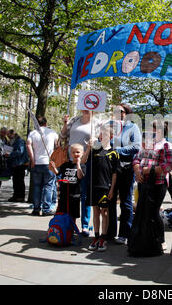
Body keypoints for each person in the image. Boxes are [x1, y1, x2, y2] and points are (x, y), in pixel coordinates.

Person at [129, 121, 172, 256]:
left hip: (158, 184)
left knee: (154, 212)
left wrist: (147, 170)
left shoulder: (167, 145)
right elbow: (136, 159)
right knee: (143, 212)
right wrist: (138, 171)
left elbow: (168, 166)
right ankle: (144, 239)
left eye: (154, 129)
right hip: (143, 182)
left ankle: (160, 240)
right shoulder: (147, 144)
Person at [107, 103, 142, 245]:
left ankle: (125, 234)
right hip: (110, 167)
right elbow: (102, 141)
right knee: (109, 199)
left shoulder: (133, 127)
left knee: (126, 201)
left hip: (126, 167)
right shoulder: (110, 126)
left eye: (119, 111)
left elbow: (136, 146)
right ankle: (109, 232)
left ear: (126, 113)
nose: (116, 113)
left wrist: (118, 151)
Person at [82, 122, 119, 252]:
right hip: (93, 186)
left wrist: (112, 189)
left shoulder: (114, 153)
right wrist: (88, 148)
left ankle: (104, 237)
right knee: (96, 212)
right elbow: (82, 161)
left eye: (106, 134)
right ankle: (96, 237)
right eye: (101, 134)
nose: (103, 136)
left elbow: (115, 173)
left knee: (105, 212)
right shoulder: (95, 150)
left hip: (106, 186)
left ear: (112, 136)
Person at [61, 110, 98, 236]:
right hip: (70, 161)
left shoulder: (97, 123)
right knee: (71, 194)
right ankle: (70, 222)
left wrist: (95, 142)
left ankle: (85, 225)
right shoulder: (74, 120)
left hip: (86, 162)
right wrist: (65, 123)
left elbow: (101, 142)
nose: (86, 108)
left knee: (84, 195)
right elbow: (63, 136)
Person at [27, 116, 59, 216]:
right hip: (48, 162)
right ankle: (46, 208)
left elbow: (28, 145)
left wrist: (32, 160)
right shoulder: (52, 132)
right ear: (45, 123)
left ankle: (36, 208)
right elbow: (58, 145)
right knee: (48, 186)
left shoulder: (32, 133)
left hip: (37, 162)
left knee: (37, 187)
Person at [50, 143, 86, 220]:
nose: (75, 154)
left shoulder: (82, 166)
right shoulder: (66, 164)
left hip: (74, 195)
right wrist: (53, 168)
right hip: (64, 194)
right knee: (62, 211)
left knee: (73, 215)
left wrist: (78, 164)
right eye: (73, 152)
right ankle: (62, 227)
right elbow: (58, 172)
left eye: (78, 152)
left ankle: (71, 229)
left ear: (82, 153)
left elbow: (80, 176)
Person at [6, 129, 29, 202]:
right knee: (16, 180)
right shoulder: (16, 141)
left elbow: (20, 151)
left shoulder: (19, 141)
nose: (8, 136)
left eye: (9, 135)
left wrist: (10, 154)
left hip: (20, 164)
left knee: (19, 181)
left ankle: (20, 196)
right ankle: (16, 195)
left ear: (13, 134)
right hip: (17, 163)